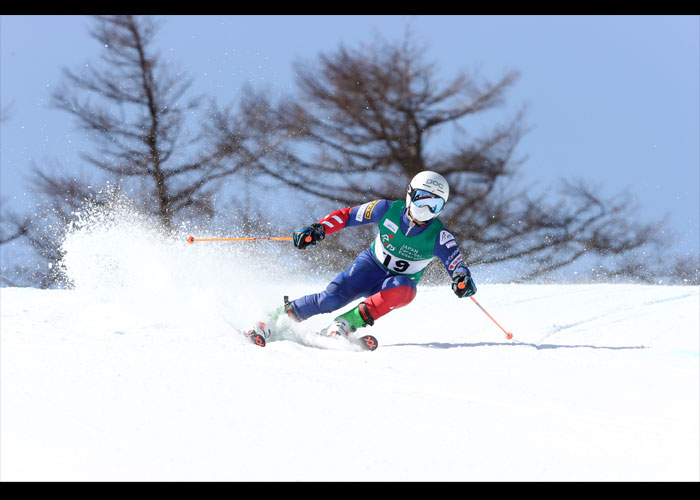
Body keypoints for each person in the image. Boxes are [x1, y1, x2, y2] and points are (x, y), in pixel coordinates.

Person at [251, 170, 477, 340]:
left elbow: (455, 262)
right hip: (370, 266)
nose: (426, 209)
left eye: (434, 205)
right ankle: (275, 318)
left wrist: (462, 280)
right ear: (410, 195)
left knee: (406, 290)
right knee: (330, 299)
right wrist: (318, 229)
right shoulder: (386, 209)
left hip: (396, 282)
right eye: (422, 199)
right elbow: (348, 216)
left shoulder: (439, 235)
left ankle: (344, 325)